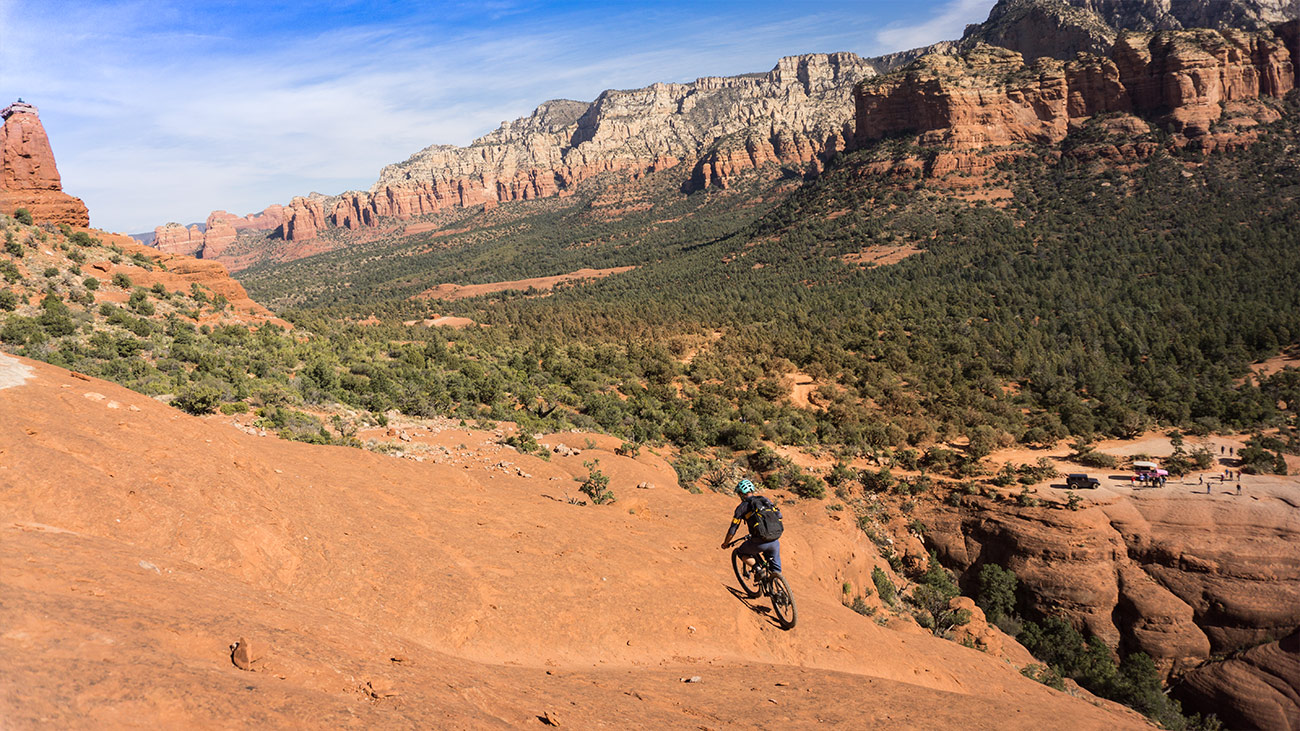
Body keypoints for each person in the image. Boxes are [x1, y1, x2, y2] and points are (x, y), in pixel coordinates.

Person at [721, 479, 783, 576]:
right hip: (775, 540)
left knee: (740, 552)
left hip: (759, 542)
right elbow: (779, 515)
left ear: (741, 494)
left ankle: (758, 570)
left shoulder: (742, 507)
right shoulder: (765, 500)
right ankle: (779, 584)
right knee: (775, 570)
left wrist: (726, 543)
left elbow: (733, 528)